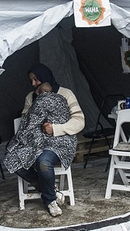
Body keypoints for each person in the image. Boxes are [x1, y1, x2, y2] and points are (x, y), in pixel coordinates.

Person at [6, 64, 85, 217]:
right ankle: (51, 190)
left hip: (60, 141)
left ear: (45, 77)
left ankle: (50, 201)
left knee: (43, 162)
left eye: (36, 79)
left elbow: (80, 121)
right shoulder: (30, 97)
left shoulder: (65, 93)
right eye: (31, 80)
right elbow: (26, 122)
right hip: (36, 141)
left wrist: (55, 129)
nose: (33, 83)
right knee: (11, 159)